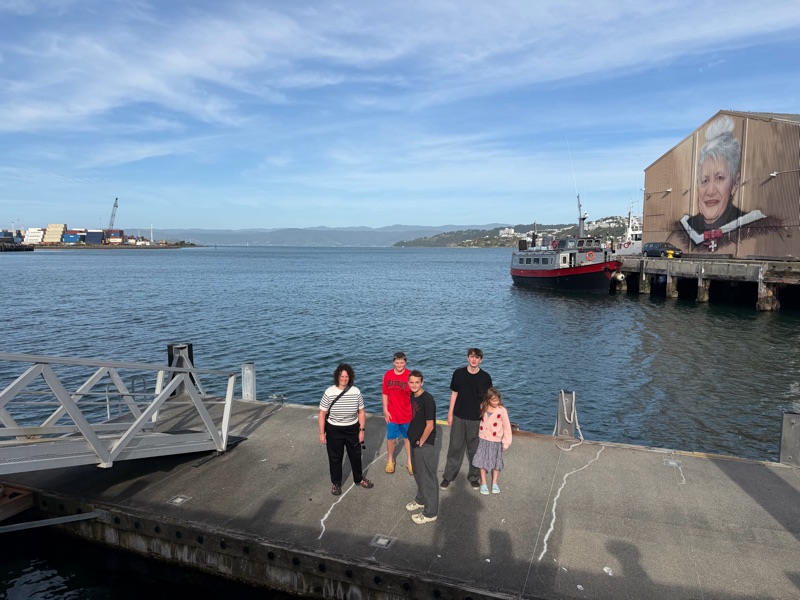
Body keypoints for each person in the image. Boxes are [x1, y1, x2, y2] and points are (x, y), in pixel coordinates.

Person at [675, 115, 781, 252]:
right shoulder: (684, 229)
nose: (710, 191)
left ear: (735, 183)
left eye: (719, 178)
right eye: (705, 180)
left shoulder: (755, 227)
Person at [440, 348, 493, 490]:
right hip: (458, 416)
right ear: (467, 358)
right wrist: (450, 414)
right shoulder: (458, 374)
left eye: (477, 357)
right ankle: (448, 476)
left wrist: (487, 419)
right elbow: (454, 394)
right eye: (471, 356)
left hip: (476, 418)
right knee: (455, 447)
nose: (474, 359)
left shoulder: (485, 377)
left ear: (481, 360)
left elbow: (487, 400)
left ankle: (474, 477)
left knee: (474, 449)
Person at [318, 363, 373, 496]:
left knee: (356, 455)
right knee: (335, 457)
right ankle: (336, 483)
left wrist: (362, 430)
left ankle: (359, 479)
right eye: (341, 376)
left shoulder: (356, 391)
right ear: (337, 377)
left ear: (350, 377)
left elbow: (361, 412)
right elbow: (322, 414)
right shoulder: (329, 392)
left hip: (352, 429)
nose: (344, 379)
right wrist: (322, 433)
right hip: (333, 429)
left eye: (346, 376)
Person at [405, 370, 438, 524]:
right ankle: (421, 499)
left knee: (428, 477)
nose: (414, 385)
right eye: (411, 382)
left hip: (424, 444)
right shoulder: (413, 395)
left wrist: (421, 442)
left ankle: (430, 513)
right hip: (414, 441)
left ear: (422, 382)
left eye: (417, 382)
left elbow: (430, 425)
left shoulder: (428, 399)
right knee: (418, 473)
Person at [472, 388, 513, 495]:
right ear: (488, 399)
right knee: (482, 460)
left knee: (496, 462)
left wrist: (506, 442)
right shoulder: (483, 407)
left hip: (496, 441)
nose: (496, 402)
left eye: (497, 400)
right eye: (493, 400)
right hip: (483, 439)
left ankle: (495, 482)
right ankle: (483, 482)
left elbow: (507, 427)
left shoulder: (502, 411)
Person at [382, 352, 412, 475]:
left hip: (407, 414)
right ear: (393, 362)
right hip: (392, 414)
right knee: (391, 439)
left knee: (408, 439)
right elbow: (385, 393)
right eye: (397, 362)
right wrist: (385, 410)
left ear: (405, 362)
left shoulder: (410, 375)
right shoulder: (388, 375)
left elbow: (415, 393)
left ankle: (410, 461)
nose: (399, 365)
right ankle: (390, 460)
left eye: (402, 362)